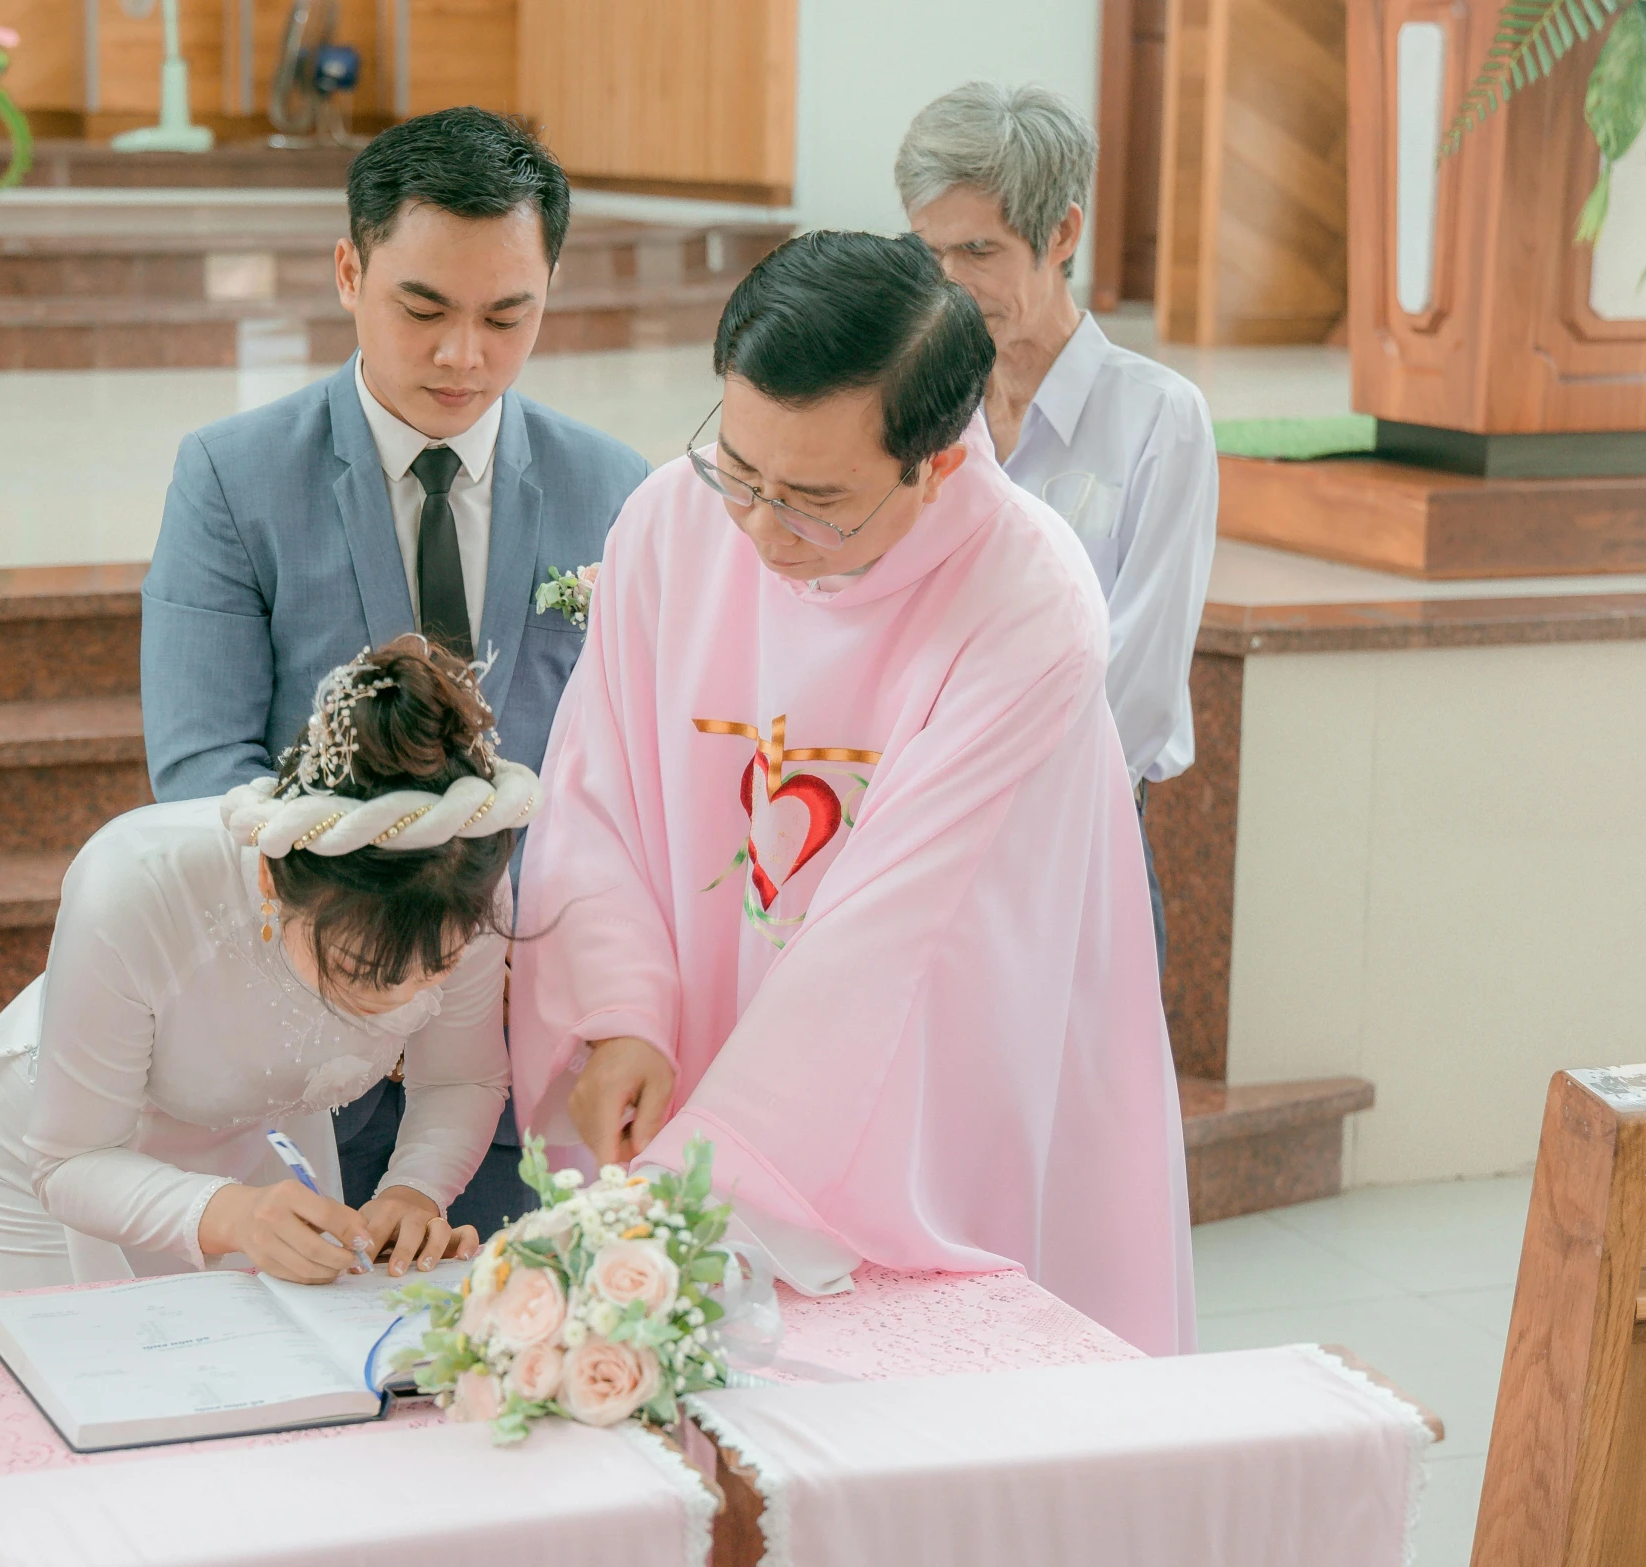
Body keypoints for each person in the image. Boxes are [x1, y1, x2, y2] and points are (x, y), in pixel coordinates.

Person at [508, 231, 1196, 1356]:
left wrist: (714, 1174)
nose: (764, 530)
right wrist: (622, 1013)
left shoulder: (1025, 601)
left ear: (939, 464)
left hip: (918, 1083)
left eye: (815, 500)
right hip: (690, 1049)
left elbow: (903, 938)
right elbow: (598, 791)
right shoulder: (675, 523)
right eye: (739, 468)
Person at [140, 107, 649, 1235]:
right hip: (305, 1029)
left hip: (527, 1030)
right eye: (422, 308)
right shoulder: (233, 477)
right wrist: (356, 954)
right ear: (347, 270)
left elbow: (631, 774)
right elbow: (201, 770)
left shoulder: (615, 489)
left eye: (505, 316)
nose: (462, 355)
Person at [0, 639, 534, 1296]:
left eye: (437, 968)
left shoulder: (457, 876)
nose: (405, 996)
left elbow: (460, 1077)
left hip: (248, 1153)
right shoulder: (134, 884)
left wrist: (414, 1192)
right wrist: (235, 1215)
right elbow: (68, 1159)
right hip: (56, 1154)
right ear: (274, 882)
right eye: (364, 968)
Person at [897, 81, 1216, 971]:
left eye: (979, 251)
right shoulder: (921, 407)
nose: (951, 284)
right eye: (930, 253)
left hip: (1083, 842)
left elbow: (1139, 684)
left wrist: (993, 803)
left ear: (1063, 234)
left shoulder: (1159, 420)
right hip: (929, 848)